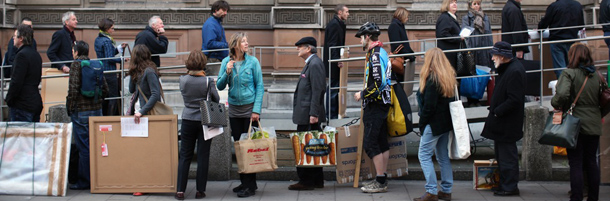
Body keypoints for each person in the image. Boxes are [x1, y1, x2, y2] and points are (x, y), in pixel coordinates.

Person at [551, 43, 601, 201]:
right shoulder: (597, 76)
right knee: (591, 161)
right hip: (593, 123)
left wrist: (555, 103)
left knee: (576, 162)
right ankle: (593, 197)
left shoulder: (568, 73)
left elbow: (563, 95)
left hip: (574, 124)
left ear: (572, 56)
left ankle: (577, 197)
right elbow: (606, 97)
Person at [216, 32, 264, 198]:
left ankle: (249, 185)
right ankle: (246, 182)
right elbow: (220, 86)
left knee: (249, 148)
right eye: (243, 41)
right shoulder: (225, 62)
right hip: (235, 110)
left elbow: (260, 86)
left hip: (250, 110)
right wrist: (227, 72)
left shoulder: (253, 62)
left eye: (247, 41)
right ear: (235, 45)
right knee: (239, 147)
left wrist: (256, 110)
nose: (247, 44)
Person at [481, 41, 526, 197]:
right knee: (502, 155)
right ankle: (504, 184)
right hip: (502, 121)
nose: (492, 58)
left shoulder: (514, 71)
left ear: (502, 56)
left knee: (508, 157)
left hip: (507, 122)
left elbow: (515, 99)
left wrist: (498, 111)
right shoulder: (507, 69)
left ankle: (510, 186)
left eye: (494, 55)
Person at [413, 48, 456, 201]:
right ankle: (446, 190)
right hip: (445, 123)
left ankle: (431, 190)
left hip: (433, 123)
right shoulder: (448, 78)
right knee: (443, 156)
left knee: (423, 155)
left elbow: (429, 107)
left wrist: (422, 124)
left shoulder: (432, 80)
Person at [353, 22, 392, 193]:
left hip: (376, 103)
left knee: (370, 143)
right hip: (382, 103)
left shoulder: (375, 54)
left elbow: (379, 82)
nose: (360, 40)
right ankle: (381, 179)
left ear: (367, 37)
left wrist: (362, 94)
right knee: (381, 142)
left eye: (361, 37)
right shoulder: (380, 51)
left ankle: (380, 181)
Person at [175, 50, 219, 200]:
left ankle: (180, 190)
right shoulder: (207, 81)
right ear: (203, 64)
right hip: (204, 120)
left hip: (187, 119)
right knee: (203, 155)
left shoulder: (182, 79)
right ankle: (200, 190)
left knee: (185, 155)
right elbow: (216, 98)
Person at [66, 41, 108, 190]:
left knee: (83, 147)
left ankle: (85, 181)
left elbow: (73, 89)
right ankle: (98, 177)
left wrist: (70, 108)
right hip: (97, 111)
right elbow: (105, 88)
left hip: (81, 111)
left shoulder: (76, 65)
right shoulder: (95, 65)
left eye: (73, 50)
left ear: (76, 52)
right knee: (96, 145)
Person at [288, 37, 326, 191]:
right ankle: (316, 180)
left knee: (306, 147)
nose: (298, 49)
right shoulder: (311, 63)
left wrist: (314, 113)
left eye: (300, 47)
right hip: (308, 113)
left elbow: (318, 90)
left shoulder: (315, 64)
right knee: (314, 146)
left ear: (308, 48)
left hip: (309, 115)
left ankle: (306, 181)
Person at [127, 44, 163, 196]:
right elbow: (131, 90)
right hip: (138, 115)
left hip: (146, 115)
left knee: (147, 151)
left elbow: (155, 94)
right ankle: (140, 182)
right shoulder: (139, 72)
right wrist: (131, 74)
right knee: (138, 151)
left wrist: (142, 111)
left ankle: (148, 183)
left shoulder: (149, 72)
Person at [538, 0, 584, 78]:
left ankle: (564, 87)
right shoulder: (577, 5)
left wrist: (539, 29)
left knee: (560, 69)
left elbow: (544, 23)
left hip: (557, 40)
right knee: (572, 66)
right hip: (572, 40)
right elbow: (581, 25)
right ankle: (573, 87)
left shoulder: (554, 6)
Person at [5, 24, 42, 122]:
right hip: (34, 101)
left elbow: (16, 81)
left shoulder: (21, 55)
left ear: (21, 38)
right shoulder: (36, 55)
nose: (13, 38)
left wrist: (9, 99)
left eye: (15, 36)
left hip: (22, 105)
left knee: (20, 136)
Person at [461, 0, 493, 107]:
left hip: (484, 50)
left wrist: (490, 49)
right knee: (472, 74)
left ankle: (478, 97)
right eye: (475, 4)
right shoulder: (467, 18)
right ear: (470, 5)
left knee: (482, 75)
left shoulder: (485, 17)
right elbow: (465, 35)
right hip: (473, 50)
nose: (477, 6)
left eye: (478, 4)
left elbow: (489, 34)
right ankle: (471, 100)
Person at [95, 18, 128, 116]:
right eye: (112, 28)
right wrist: (122, 59)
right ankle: (112, 118)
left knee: (105, 97)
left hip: (102, 71)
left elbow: (106, 54)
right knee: (113, 97)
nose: (113, 30)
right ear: (107, 29)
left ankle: (105, 117)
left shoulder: (98, 39)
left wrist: (119, 48)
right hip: (110, 72)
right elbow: (109, 58)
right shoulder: (107, 41)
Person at [323, 4, 349, 119]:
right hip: (334, 63)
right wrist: (337, 60)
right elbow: (332, 45)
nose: (348, 14)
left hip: (335, 61)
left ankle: (334, 114)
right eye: (346, 12)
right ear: (340, 12)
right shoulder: (334, 24)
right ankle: (331, 115)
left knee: (335, 88)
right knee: (333, 88)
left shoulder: (338, 24)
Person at [387, 7, 416, 84]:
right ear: (401, 16)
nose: (407, 18)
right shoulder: (394, 26)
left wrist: (410, 53)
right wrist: (409, 54)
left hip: (403, 57)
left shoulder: (399, 25)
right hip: (399, 58)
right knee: (400, 82)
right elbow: (397, 45)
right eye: (406, 16)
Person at [201, 0, 230, 75]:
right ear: (216, 10)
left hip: (216, 59)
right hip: (213, 60)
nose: (225, 13)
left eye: (226, 11)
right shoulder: (211, 24)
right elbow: (210, 44)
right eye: (223, 10)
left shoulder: (215, 23)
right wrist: (226, 45)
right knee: (214, 83)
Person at [436, 0, 463, 71]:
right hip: (447, 55)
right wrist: (459, 38)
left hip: (453, 53)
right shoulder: (445, 17)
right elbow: (442, 34)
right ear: (446, 5)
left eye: (455, 2)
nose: (454, 4)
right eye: (451, 2)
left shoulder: (452, 17)